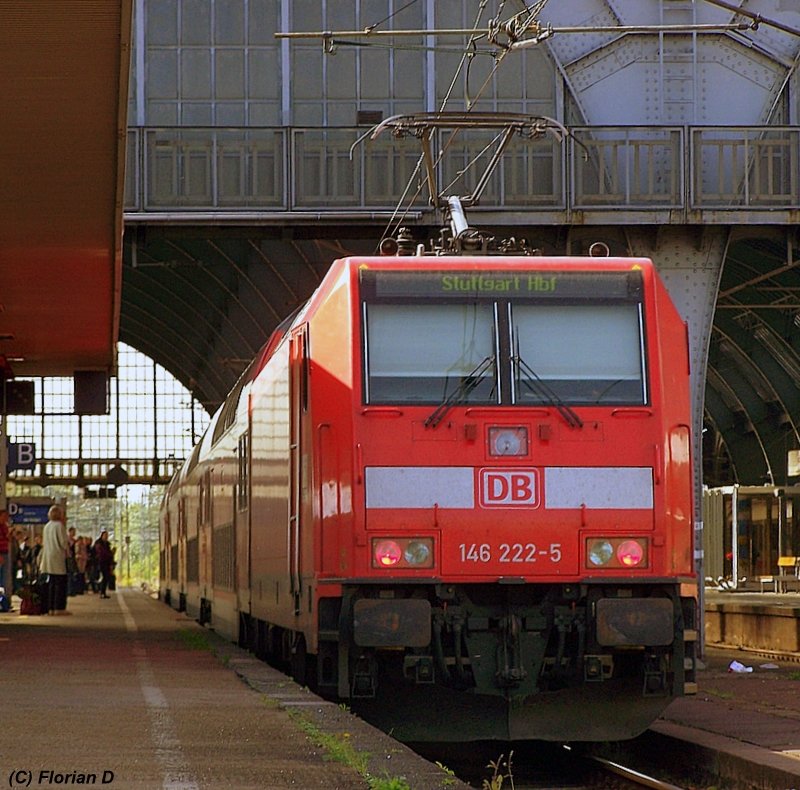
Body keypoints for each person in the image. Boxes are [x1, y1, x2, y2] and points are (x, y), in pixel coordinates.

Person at [39, 505, 71, 616]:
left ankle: (50, 608)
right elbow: (63, 542)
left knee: (51, 583)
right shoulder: (59, 526)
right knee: (60, 583)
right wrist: (68, 551)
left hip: (48, 556)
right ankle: (59, 607)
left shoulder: (47, 526)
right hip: (57, 556)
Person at [94, 531, 115, 599]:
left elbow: (108, 553)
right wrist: (110, 553)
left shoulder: (107, 544)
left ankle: (103, 592)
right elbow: (101, 552)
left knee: (106, 577)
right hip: (100, 562)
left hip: (106, 562)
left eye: (107, 535)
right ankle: (101, 592)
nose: (106, 537)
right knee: (103, 577)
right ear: (102, 536)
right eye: (105, 535)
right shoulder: (98, 543)